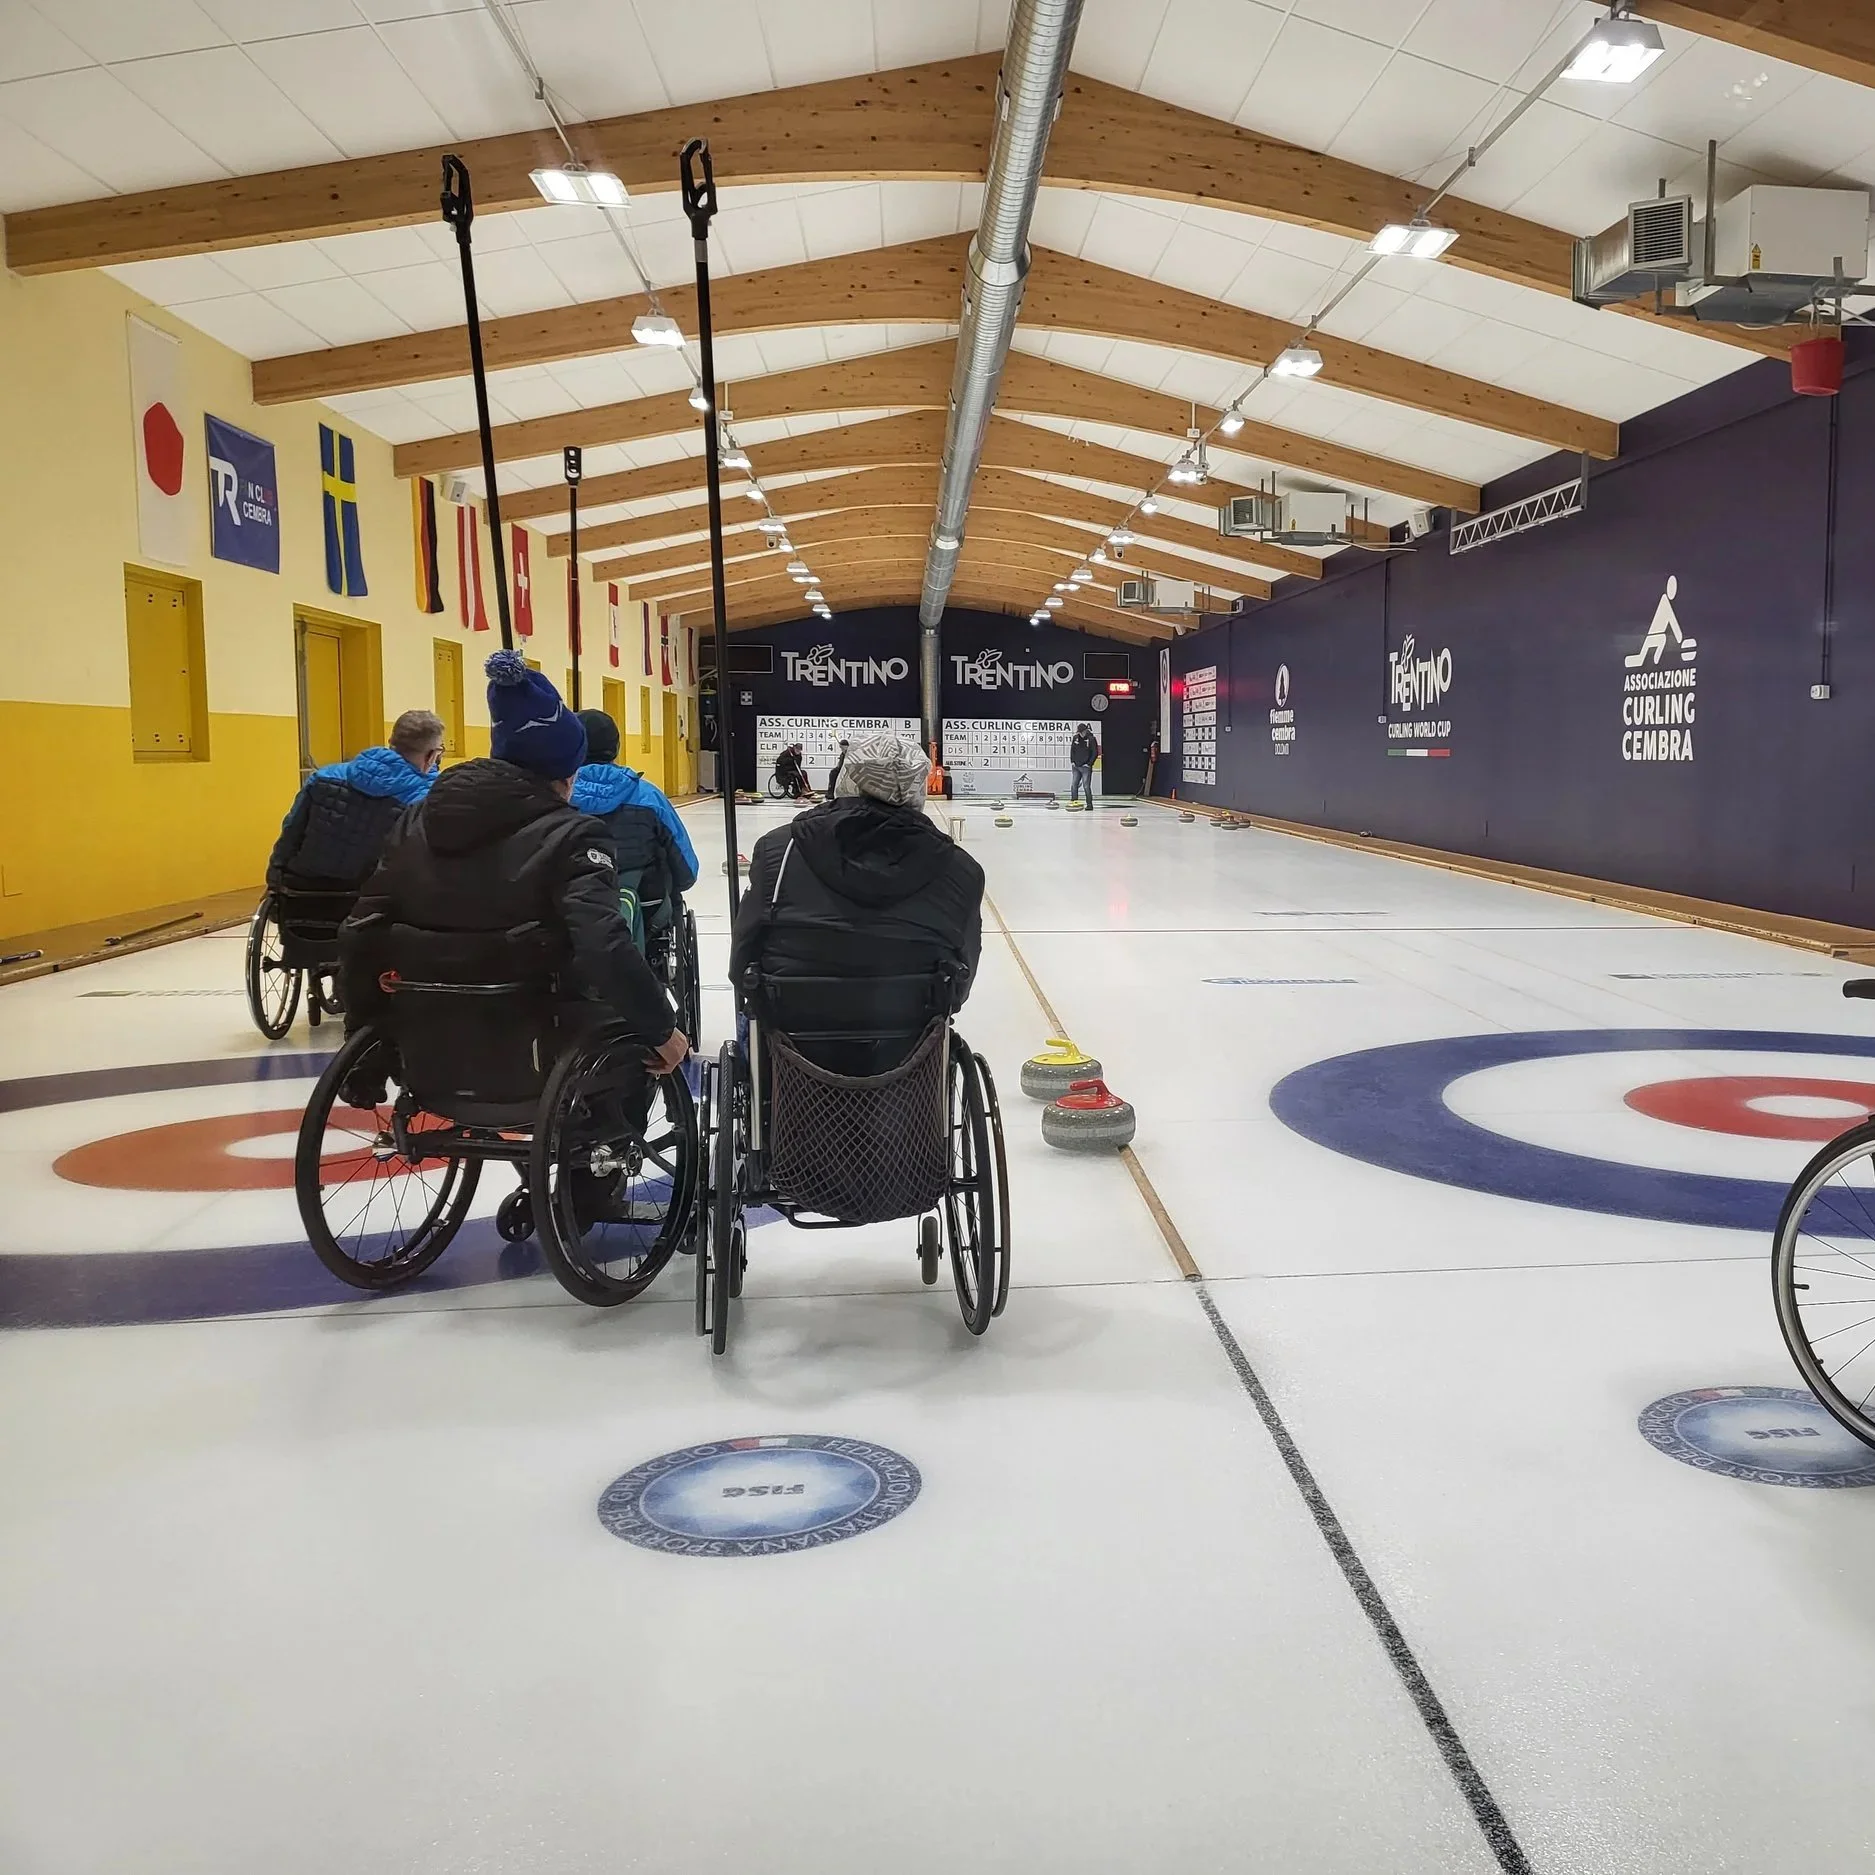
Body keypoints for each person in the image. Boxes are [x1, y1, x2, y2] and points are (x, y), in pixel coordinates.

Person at [337, 652, 687, 1093]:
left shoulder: (416, 820)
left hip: (427, 1034)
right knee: (632, 1034)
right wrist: (661, 1028)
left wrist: (363, 1041)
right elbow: (603, 944)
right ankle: (609, 1150)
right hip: (537, 1034)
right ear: (564, 771)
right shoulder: (574, 835)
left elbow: (360, 930)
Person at [729, 731, 984, 1074]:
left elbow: (744, 950)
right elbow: (962, 977)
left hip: (795, 1039)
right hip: (908, 1045)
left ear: (847, 777)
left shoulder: (779, 851)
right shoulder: (960, 869)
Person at [266, 709, 443, 893]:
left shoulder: (323, 777)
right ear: (431, 756)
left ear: (391, 743)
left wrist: (274, 882)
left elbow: (291, 832)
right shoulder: (426, 798)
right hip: (371, 903)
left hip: (304, 894)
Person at [571, 709, 699, 949]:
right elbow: (686, 868)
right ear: (616, 748)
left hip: (570, 914)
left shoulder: (557, 797)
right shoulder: (648, 796)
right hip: (647, 906)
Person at [1068, 722, 1098, 812]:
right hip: (1076, 766)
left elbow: (1095, 753)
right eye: (1079, 732)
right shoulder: (1075, 738)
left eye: (1082, 732)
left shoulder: (1091, 739)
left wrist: (1089, 764)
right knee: (1074, 785)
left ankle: (1089, 804)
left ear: (1085, 731)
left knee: (1086, 786)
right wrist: (1072, 761)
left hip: (1086, 767)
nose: (1080, 734)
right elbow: (1072, 750)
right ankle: (1074, 801)